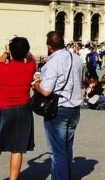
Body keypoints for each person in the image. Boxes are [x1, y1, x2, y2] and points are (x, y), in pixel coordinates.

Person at [0, 37, 37, 180]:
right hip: (23, 110)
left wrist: (6, 52)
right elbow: (32, 59)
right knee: (17, 149)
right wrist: (26, 52)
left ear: (11, 51)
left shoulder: (2, 68)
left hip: (4, 110)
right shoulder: (30, 67)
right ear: (25, 51)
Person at [33, 31, 83, 180]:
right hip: (74, 109)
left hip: (58, 110)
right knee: (67, 149)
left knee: (57, 152)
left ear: (50, 47)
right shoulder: (77, 59)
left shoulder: (53, 62)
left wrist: (35, 84)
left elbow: (46, 91)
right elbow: (81, 80)